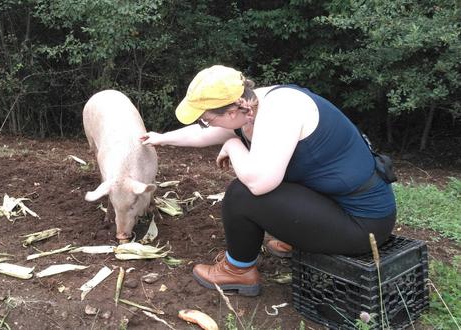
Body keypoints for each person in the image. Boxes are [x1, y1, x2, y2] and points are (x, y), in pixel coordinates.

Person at [140, 65, 396, 296]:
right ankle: (299, 236)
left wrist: (233, 144)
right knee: (264, 180)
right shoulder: (253, 104)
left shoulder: (281, 112)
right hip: (337, 205)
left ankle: (238, 270)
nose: (204, 124)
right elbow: (207, 132)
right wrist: (162, 138)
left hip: (362, 226)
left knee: (243, 195)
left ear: (232, 112)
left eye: (206, 118)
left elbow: (258, 182)